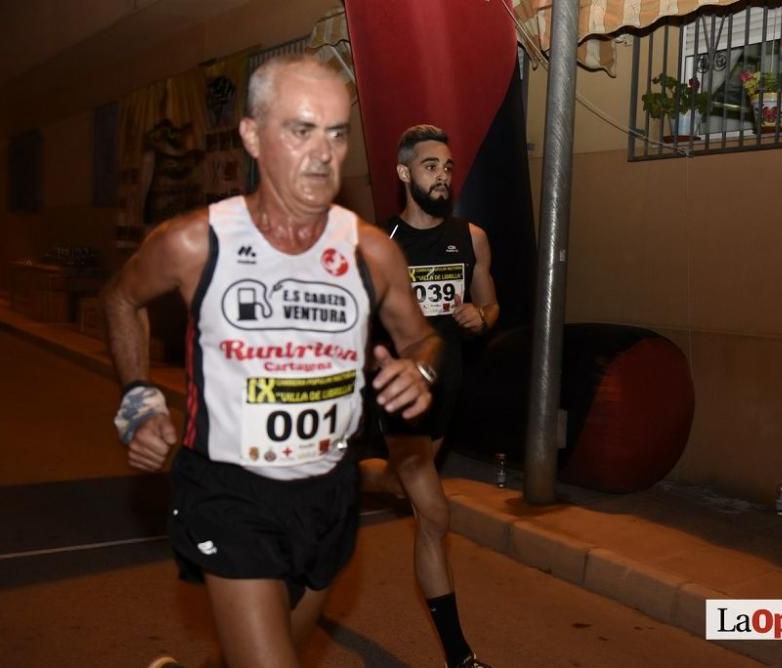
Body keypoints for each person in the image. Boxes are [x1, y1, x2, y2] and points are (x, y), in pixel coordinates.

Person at [103, 55, 441, 668]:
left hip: (328, 492)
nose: (323, 153)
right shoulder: (194, 243)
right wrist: (138, 400)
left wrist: (421, 372)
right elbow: (122, 299)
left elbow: (422, 340)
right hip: (230, 492)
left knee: (270, 650)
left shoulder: (369, 251)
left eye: (337, 133)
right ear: (254, 137)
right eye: (300, 130)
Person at [361, 124, 499, 668]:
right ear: (403, 173)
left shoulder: (473, 239)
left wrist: (479, 316)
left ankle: (346, 479)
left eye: (446, 167)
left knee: (403, 488)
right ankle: (460, 658)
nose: (441, 177)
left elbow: (492, 308)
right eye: (429, 167)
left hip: (447, 396)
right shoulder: (378, 244)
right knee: (435, 514)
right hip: (399, 396)